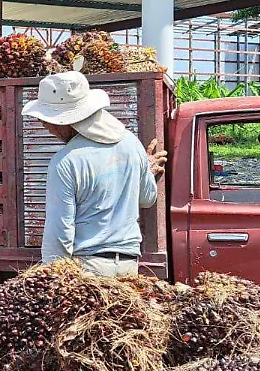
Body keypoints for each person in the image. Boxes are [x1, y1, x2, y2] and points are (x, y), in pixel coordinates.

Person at [21, 71, 167, 276]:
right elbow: (147, 198)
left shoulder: (66, 161)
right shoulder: (132, 144)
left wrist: (52, 279)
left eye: (46, 122)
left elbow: (59, 231)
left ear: (61, 123)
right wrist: (146, 168)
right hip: (128, 265)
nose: (46, 128)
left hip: (89, 269)